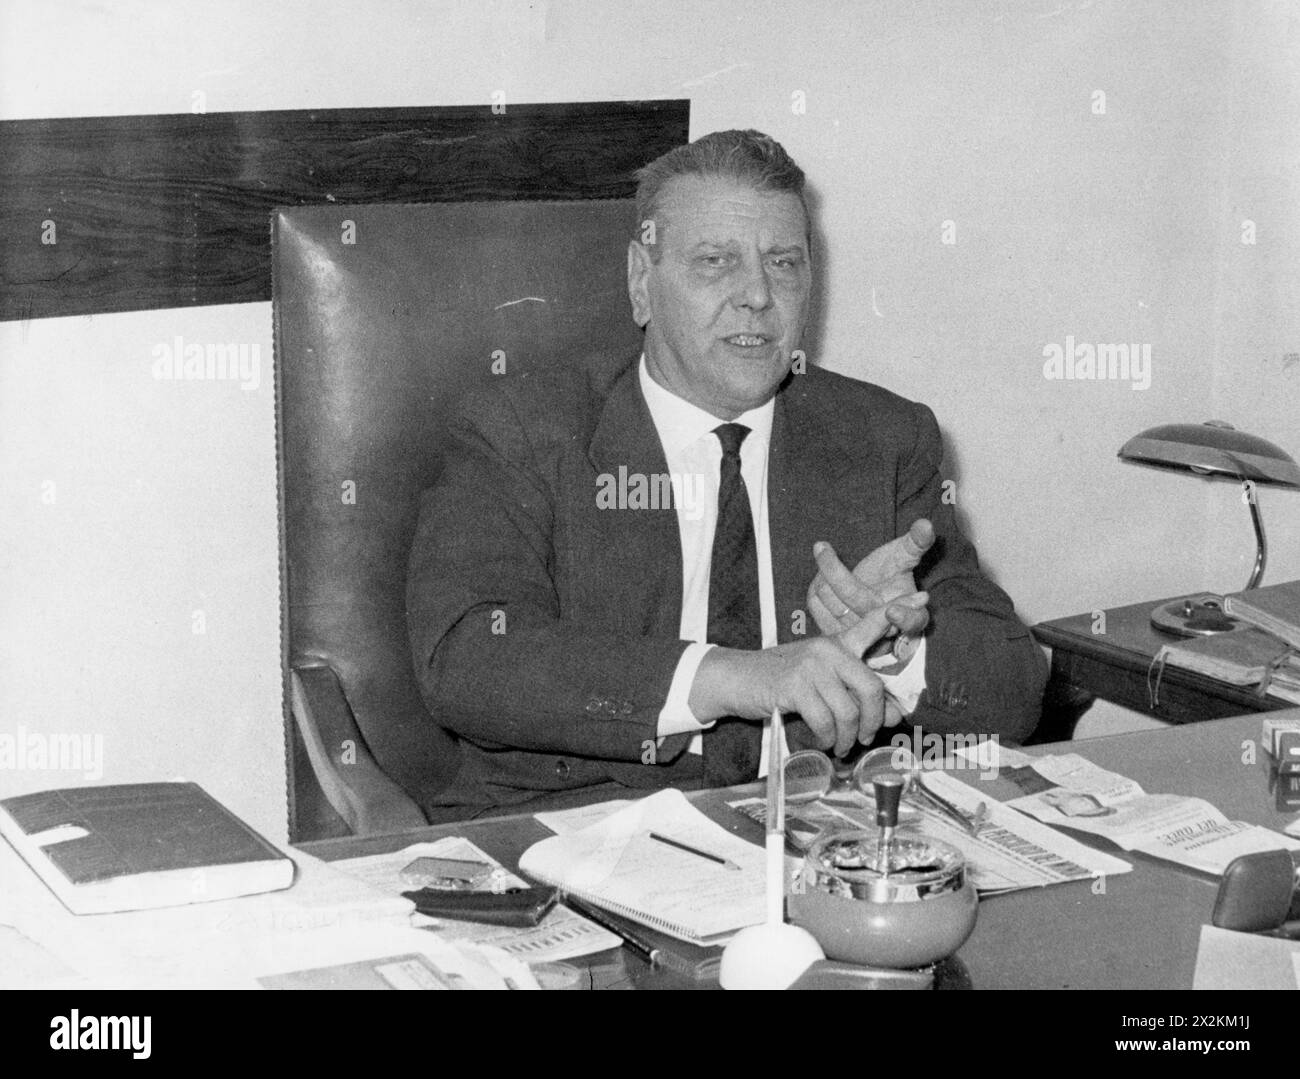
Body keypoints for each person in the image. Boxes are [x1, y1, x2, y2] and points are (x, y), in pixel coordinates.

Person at [407, 129, 1046, 817]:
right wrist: (735, 677)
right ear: (640, 283)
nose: (757, 297)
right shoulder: (524, 431)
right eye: (716, 262)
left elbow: (1014, 691)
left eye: (784, 263)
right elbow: (468, 654)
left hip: (813, 831)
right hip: (578, 827)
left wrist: (899, 652)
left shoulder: (884, 437)